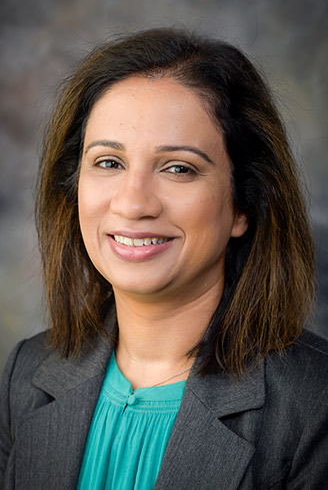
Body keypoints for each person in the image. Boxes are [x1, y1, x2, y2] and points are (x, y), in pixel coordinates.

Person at [0, 27, 327, 490]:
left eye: (179, 168)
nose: (133, 204)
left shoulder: (316, 403)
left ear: (243, 205)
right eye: (109, 162)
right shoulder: (26, 373)